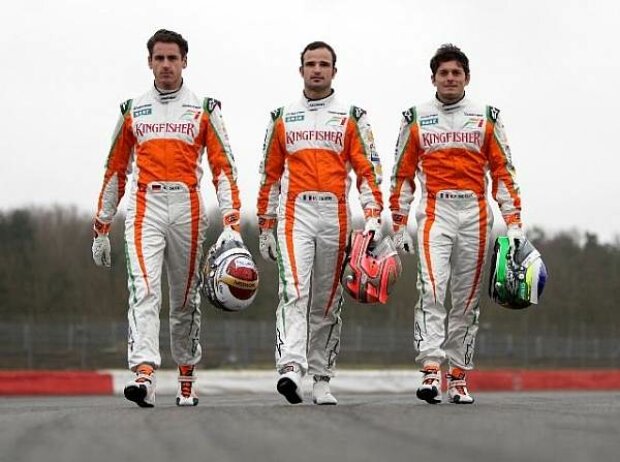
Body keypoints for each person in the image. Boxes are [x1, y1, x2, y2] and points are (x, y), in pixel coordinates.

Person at [91, 29, 242, 408]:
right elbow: (114, 170)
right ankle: (143, 374)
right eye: (159, 58)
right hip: (146, 208)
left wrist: (231, 222)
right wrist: (101, 226)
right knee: (144, 291)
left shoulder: (205, 108)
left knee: (184, 300)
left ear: (184, 62)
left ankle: (186, 377)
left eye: (172, 58)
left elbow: (224, 168)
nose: (165, 66)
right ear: (149, 63)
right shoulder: (132, 109)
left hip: (188, 208)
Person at [389, 44, 524, 404]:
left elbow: (503, 172)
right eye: (443, 73)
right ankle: (431, 370)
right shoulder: (414, 117)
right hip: (435, 213)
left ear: (467, 77)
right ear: (433, 78)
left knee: (465, 301)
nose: (450, 78)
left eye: (456, 73)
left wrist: (514, 224)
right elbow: (402, 175)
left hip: (476, 215)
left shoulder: (487, 117)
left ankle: (459, 377)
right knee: (432, 290)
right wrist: (399, 222)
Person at [257, 41, 383, 405]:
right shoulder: (281, 116)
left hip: (335, 215)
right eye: (310, 64)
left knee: (327, 301)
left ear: (333, 71)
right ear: (300, 70)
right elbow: (270, 175)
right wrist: (266, 224)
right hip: (295, 214)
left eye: (323, 64)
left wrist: (373, 215)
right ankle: (291, 369)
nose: (316, 70)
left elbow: (367, 171)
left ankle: (322, 377)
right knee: (294, 290)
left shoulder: (352, 117)